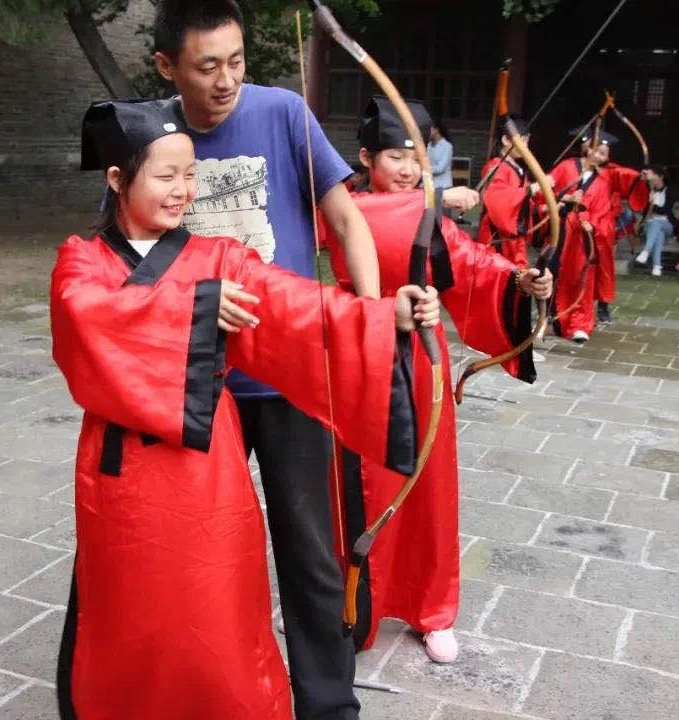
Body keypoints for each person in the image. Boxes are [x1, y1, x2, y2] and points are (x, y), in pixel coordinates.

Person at [51, 97, 440, 720]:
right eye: (166, 175)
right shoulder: (82, 258)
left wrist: (380, 314)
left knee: (216, 606)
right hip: (123, 476)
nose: (183, 191)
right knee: (128, 605)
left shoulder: (218, 257)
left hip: (208, 469)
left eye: (190, 175)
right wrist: (198, 308)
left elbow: (294, 305)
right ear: (118, 179)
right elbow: (83, 320)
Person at [151, 2, 383, 716]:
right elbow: (127, 254)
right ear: (166, 66)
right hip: (197, 384)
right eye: (206, 66)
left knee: (311, 551)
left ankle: (328, 703)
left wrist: (370, 318)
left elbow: (345, 219)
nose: (226, 81)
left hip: (290, 376)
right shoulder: (150, 131)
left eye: (237, 61)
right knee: (195, 552)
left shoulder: (282, 113)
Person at [321, 96, 552, 665]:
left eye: (417, 160)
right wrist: (434, 199)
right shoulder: (343, 206)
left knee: (427, 484)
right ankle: (352, 606)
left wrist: (520, 281)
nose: (407, 169)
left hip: (423, 355)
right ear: (365, 157)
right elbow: (364, 221)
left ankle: (432, 609)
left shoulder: (430, 213)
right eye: (394, 157)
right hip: (359, 347)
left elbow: (472, 263)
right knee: (358, 483)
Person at [547, 126, 615, 344]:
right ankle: (556, 319)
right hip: (560, 231)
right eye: (596, 150)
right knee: (554, 275)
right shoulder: (567, 166)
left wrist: (592, 225)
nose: (599, 156)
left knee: (581, 278)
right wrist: (565, 199)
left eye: (603, 154)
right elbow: (546, 190)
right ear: (587, 147)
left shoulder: (602, 182)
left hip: (582, 238)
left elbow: (604, 213)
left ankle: (579, 325)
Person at [475, 113, 545, 268]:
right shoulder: (495, 165)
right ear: (506, 140)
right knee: (498, 277)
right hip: (497, 238)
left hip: (514, 238)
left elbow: (524, 205)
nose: (526, 146)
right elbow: (499, 201)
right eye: (522, 141)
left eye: (527, 141)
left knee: (517, 277)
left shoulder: (517, 169)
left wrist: (542, 208)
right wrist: (530, 190)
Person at [600, 158, 648, 322]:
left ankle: (602, 308)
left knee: (605, 269)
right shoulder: (576, 169)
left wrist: (640, 178)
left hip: (605, 225)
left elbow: (625, 175)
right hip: (582, 225)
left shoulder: (609, 172)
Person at [633, 164, 679, 277]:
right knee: (658, 233)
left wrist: (652, 205)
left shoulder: (670, 190)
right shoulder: (647, 190)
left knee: (657, 223)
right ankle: (657, 266)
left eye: (652, 175)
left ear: (661, 177)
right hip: (649, 225)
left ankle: (646, 251)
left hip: (667, 224)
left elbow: (665, 210)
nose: (650, 178)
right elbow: (644, 211)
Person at [428, 118, 453, 215]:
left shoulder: (447, 146)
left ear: (436, 130)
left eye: (430, 129)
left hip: (443, 187)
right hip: (429, 186)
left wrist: (424, 169)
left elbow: (441, 168)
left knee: (443, 217)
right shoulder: (428, 145)